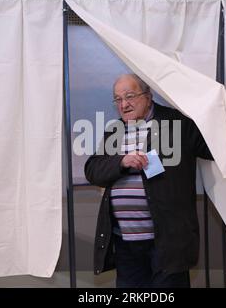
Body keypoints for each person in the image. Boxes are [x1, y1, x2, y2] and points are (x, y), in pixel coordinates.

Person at [84, 74, 214, 288]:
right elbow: (93, 170)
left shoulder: (178, 124)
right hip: (126, 244)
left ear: (148, 95)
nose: (124, 104)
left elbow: (215, 148)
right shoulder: (115, 131)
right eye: (118, 99)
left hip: (167, 243)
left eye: (130, 96)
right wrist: (122, 161)